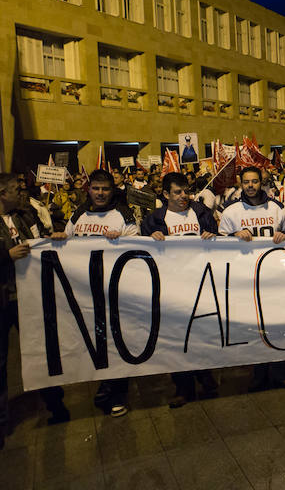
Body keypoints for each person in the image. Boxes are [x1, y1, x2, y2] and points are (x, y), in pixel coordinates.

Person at [49, 169, 139, 417]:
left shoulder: (123, 214)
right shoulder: (78, 214)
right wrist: (59, 238)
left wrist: (121, 237)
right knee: (97, 342)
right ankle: (105, 386)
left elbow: (139, 247)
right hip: (84, 293)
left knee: (117, 343)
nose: (100, 193)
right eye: (96, 188)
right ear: (88, 190)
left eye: (105, 189)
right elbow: (66, 239)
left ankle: (116, 394)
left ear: (112, 191)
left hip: (116, 292)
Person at [1, 173, 68, 448]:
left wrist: (54, 238)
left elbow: (39, 242)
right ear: (2, 192)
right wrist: (6, 257)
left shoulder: (24, 217)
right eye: (17, 189)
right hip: (3, 299)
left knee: (41, 350)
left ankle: (56, 405)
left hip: (27, 297)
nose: (23, 192)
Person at [141, 172, 219, 408]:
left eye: (186, 191)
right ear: (165, 194)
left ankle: (207, 379)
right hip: (170, 288)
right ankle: (183, 387)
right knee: (176, 339)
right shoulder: (154, 219)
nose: (184, 196)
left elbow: (219, 243)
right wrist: (148, 237)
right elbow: (141, 251)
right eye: (177, 192)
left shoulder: (202, 213)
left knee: (201, 335)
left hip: (199, 285)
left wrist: (212, 235)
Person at [219, 167, 285, 391]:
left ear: (262, 182)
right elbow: (219, 244)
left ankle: (280, 372)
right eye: (246, 182)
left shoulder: (277, 208)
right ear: (241, 184)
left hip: (275, 277)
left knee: (279, 326)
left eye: (255, 182)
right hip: (247, 277)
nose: (250, 186)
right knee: (255, 328)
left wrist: (284, 236)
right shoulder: (230, 211)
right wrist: (233, 236)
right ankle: (258, 375)